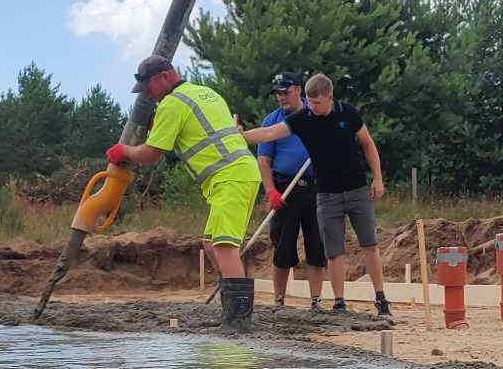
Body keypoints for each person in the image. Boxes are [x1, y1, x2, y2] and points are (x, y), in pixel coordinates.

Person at [107, 55, 263, 333]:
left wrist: (125, 151)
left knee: (224, 247)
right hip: (234, 174)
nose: (147, 93)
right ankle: (231, 312)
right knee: (210, 244)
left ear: (165, 77)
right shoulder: (204, 93)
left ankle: (238, 323)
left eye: (148, 86)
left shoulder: (173, 103)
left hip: (231, 175)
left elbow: (152, 153)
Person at [245, 73, 389, 316]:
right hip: (326, 194)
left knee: (369, 244)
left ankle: (381, 299)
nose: (312, 107)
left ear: (330, 97)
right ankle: (339, 302)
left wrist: (377, 177)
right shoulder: (303, 118)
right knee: (333, 251)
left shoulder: (349, 113)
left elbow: (367, 143)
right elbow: (269, 134)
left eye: (317, 103)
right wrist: (241, 135)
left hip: (356, 189)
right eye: (309, 102)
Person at [255, 71, 329, 309]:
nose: (281, 97)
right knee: (283, 245)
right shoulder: (272, 121)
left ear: (298, 90)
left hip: (316, 187)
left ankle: (316, 299)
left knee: (316, 245)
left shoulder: (317, 113)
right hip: (284, 189)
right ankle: (279, 299)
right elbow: (264, 161)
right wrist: (270, 192)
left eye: (285, 92)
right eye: (277, 93)